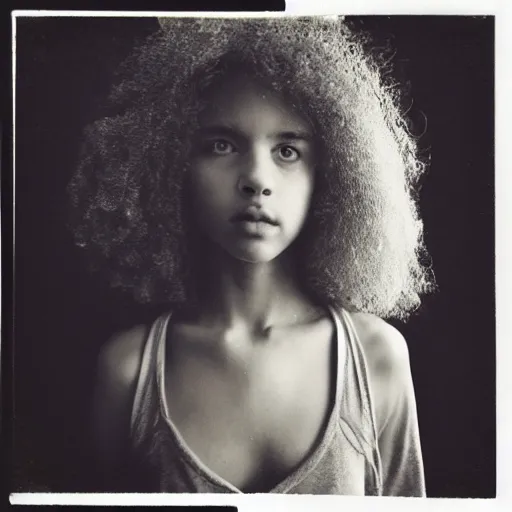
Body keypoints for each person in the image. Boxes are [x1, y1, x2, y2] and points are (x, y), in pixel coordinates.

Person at [68, 16, 434, 495]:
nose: (256, 178)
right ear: (170, 165)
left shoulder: (376, 358)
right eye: (221, 145)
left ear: (330, 173)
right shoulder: (128, 372)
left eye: (287, 151)